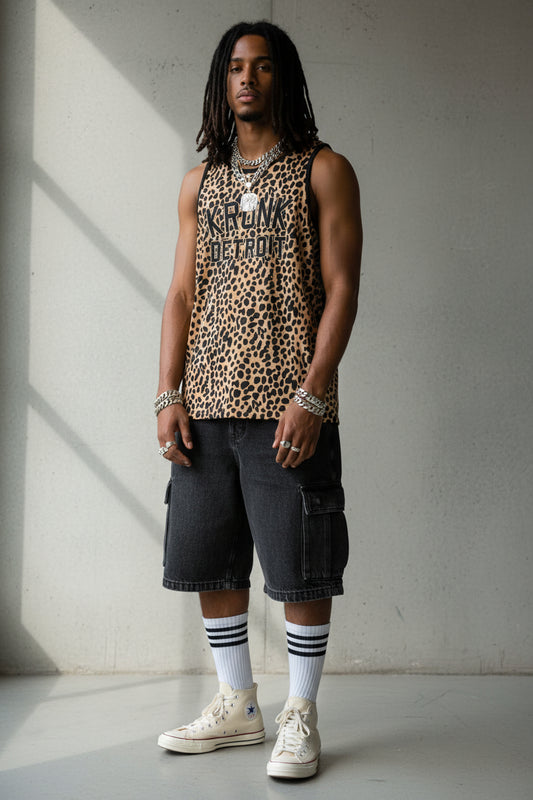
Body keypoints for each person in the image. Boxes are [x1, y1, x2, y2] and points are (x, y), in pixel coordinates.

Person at [155, 20, 362, 780]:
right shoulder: (199, 183)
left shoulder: (323, 170)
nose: (248, 78)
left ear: (285, 78)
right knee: (210, 560)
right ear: (222, 81)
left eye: (264, 66)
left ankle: (300, 712)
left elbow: (342, 288)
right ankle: (237, 703)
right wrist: (167, 393)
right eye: (236, 67)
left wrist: (312, 394)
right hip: (205, 404)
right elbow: (181, 294)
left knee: (302, 564)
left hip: (287, 407)